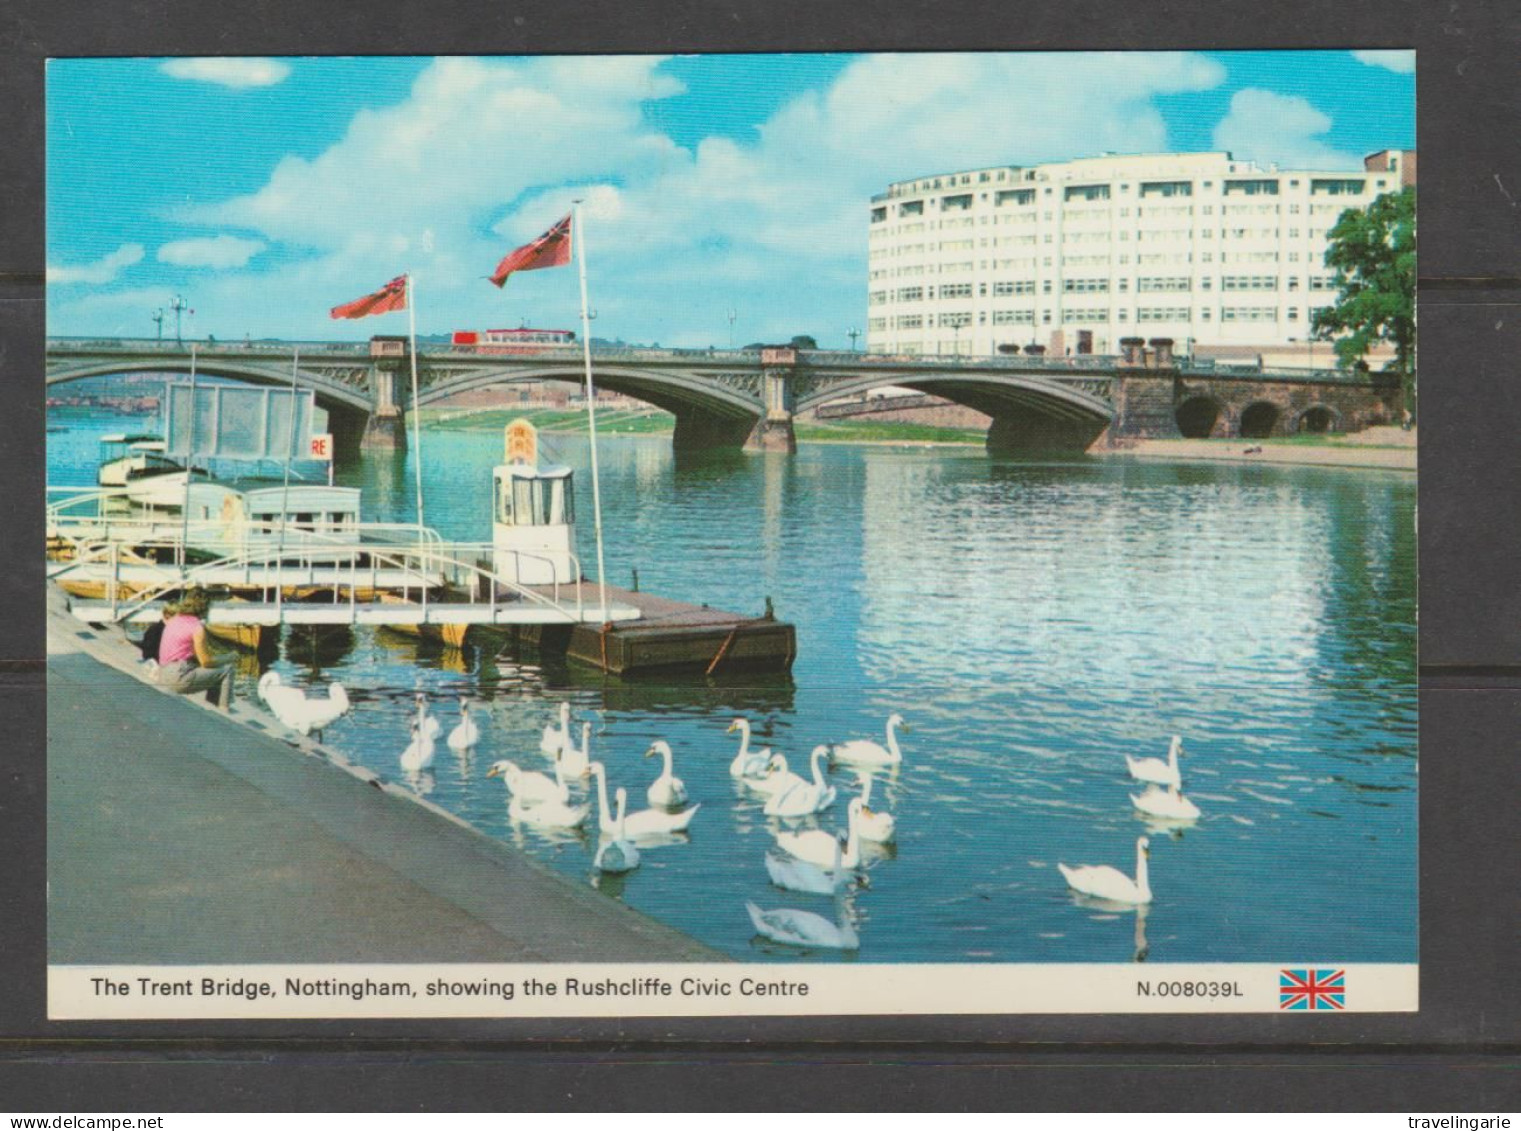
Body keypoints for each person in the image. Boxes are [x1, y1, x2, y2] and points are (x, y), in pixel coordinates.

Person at [156, 588, 233, 709]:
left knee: (214, 671)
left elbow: (193, 655)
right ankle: (223, 711)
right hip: (178, 678)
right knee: (227, 670)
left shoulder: (174, 619)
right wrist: (229, 657)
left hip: (163, 673)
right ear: (204, 607)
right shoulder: (197, 627)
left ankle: (213, 708)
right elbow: (206, 662)